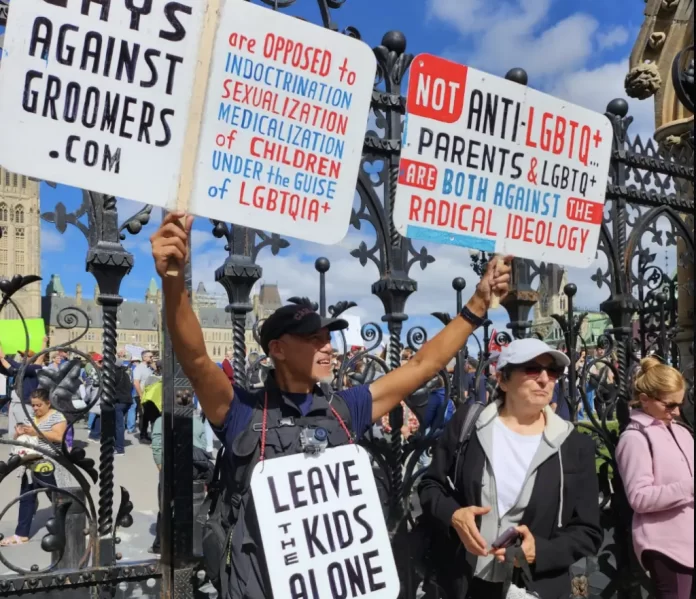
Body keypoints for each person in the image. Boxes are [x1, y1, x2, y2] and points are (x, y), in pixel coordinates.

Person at [149, 211, 512, 598]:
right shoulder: (243, 411)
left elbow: (423, 366)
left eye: (327, 337)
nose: (326, 346)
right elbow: (197, 360)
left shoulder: (345, 407)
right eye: (312, 339)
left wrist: (476, 305)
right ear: (277, 349)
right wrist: (173, 282)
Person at [419, 338, 603, 599]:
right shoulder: (470, 425)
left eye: (552, 372)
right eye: (531, 369)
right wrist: (454, 515)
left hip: (534, 587)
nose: (544, 379)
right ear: (503, 379)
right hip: (464, 582)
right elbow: (430, 485)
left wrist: (540, 551)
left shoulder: (574, 444)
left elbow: (588, 532)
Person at [616, 358, 693, 599]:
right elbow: (639, 498)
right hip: (667, 547)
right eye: (670, 405)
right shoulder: (634, 439)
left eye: (679, 404)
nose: (676, 412)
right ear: (645, 399)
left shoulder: (681, 431)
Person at [1, 388, 66, 546]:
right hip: (29, 464)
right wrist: (19, 433)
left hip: (47, 464)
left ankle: (70, 526)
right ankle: (21, 534)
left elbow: (59, 436)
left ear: (48, 403)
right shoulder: (32, 417)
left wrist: (36, 432)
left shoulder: (57, 416)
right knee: (26, 498)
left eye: (39, 405)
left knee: (57, 498)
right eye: (33, 405)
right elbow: (23, 437)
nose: (36, 408)